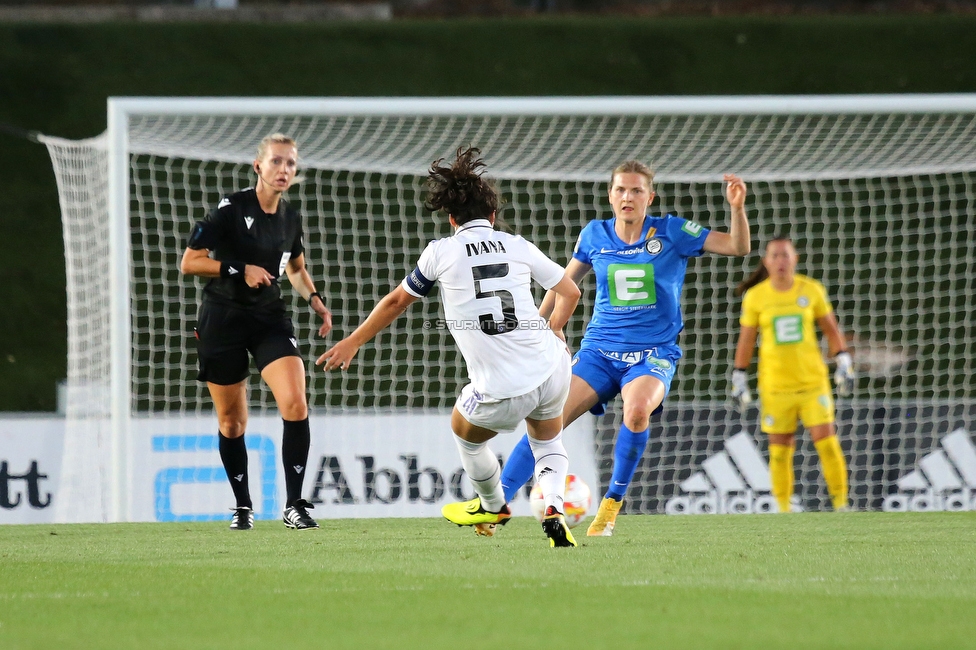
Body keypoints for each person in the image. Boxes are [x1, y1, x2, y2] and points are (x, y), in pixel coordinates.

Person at [444, 161, 750, 537]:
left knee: (637, 411)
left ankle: (610, 507)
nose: (628, 197)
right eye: (621, 189)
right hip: (599, 352)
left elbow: (737, 247)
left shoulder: (672, 231)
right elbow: (561, 283)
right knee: (547, 424)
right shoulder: (595, 235)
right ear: (610, 195)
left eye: (637, 190)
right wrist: (541, 326)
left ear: (649, 197)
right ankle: (498, 506)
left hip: (652, 353)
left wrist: (736, 208)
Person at [317, 146, 583, 547]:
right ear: (492, 216)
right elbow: (571, 291)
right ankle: (554, 509)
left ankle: (492, 505)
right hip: (552, 367)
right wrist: (557, 329)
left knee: (464, 431)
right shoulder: (518, 245)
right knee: (547, 441)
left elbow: (396, 302)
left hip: (503, 385)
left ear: (451, 217)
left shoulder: (440, 252)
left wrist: (354, 340)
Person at [180, 133, 333, 531]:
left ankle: (295, 504)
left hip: (269, 319)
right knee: (232, 422)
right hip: (222, 320)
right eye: (277, 161)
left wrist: (314, 298)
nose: (284, 170)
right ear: (258, 166)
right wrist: (238, 268)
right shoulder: (231, 209)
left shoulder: (290, 218)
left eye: (291, 164)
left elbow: (295, 268)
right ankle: (243, 506)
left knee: (296, 403)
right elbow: (190, 262)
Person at [730, 236, 854, 513]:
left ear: (795, 258)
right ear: (766, 262)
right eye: (774, 256)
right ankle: (783, 511)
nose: (780, 261)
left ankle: (842, 505)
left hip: (813, 383)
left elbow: (831, 331)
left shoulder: (811, 290)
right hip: (775, 386)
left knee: (827, 442)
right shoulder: (756, 296)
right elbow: (746, 340)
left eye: (785, 255)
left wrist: (843, 359)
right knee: (779, 450)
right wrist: (739, 376)